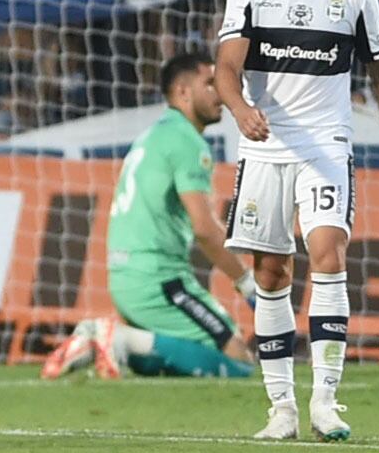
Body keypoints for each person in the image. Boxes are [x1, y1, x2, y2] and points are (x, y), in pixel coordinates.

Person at [216, 0, 379, 441]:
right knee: (271, 273)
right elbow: (226, 69)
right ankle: (281, 408)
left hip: (326, 144)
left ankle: (325, 400)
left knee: (328, 251)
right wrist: (240, 110)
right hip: (263, 145)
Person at [42, 52, 257, 382]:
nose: (220, 92)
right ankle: (119, 339)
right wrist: (245, 282)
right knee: (239, 364)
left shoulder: (154, 135)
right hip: (159, 280)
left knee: (173, 353)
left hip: (125, 275)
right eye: (210, 83)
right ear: (183, 91)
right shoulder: (186, 141)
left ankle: (114, 344)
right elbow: (204, 228)